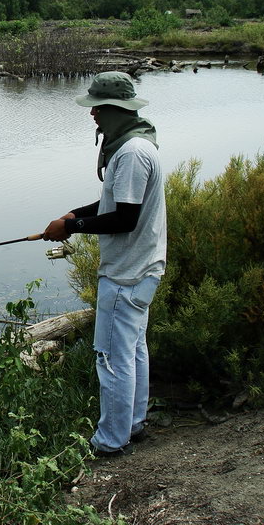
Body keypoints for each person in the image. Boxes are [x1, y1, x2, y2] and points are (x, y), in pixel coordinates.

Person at [42, 71, 167, 456]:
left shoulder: (130, 154)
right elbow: (114, 204)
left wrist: (73, 227)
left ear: (114, 109)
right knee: (133, 350)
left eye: (97, 107)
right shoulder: (139, 146)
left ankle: (110, 441)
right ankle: (134, 424)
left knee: (112, 358)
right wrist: (73, 215)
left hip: (126, 274)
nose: (92, 114)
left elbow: (124, 218)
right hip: (143, 268)